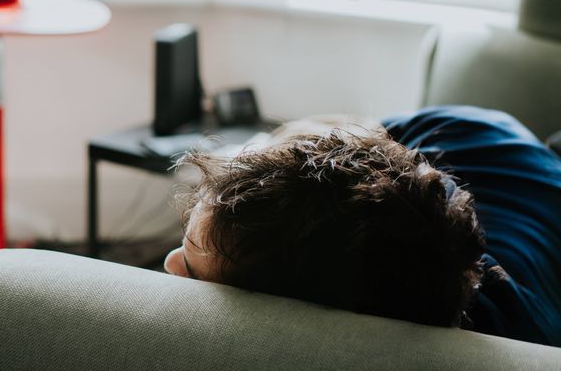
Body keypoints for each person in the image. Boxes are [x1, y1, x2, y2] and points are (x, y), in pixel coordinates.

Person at [164, 105, 561, 346]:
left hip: (486, 144)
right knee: (326, 147)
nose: (168, 263)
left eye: (194, 271)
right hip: (452, 138)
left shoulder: (531, 345)